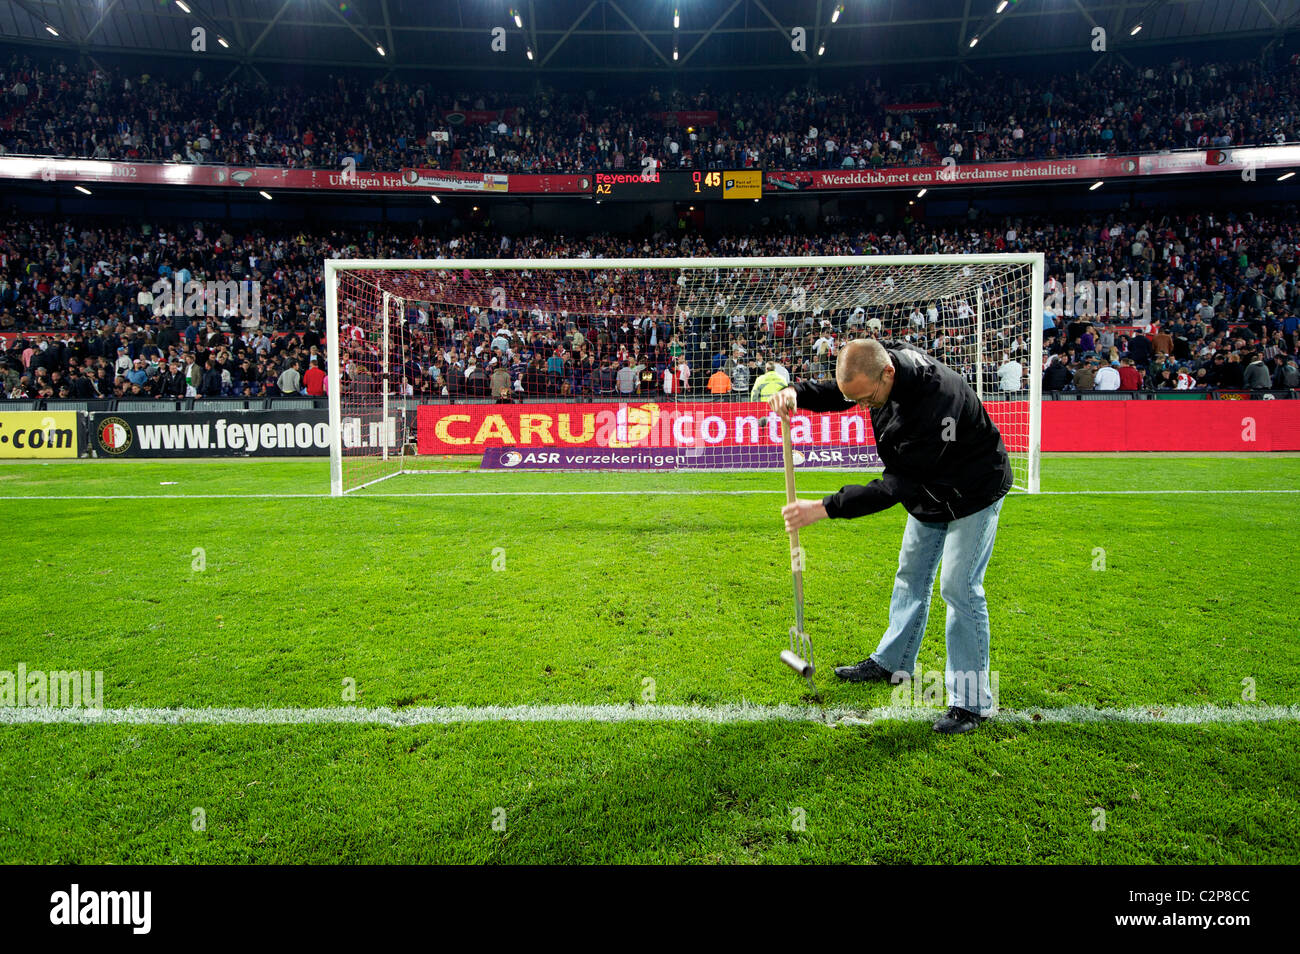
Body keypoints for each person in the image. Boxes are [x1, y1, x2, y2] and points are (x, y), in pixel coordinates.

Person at [769, 338, 1012, 735]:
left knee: (959, 587)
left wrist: (824, 507)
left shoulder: (936, 402)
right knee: (910, 575)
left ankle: (972, 702)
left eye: (867, 399)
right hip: (929, 492)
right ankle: (893, 661)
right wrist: (796, 392)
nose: (863, 407)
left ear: (889, 374)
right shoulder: (877, 372)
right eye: (858, 400)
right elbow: (842, 392)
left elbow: (896, 484)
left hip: (972, 490)